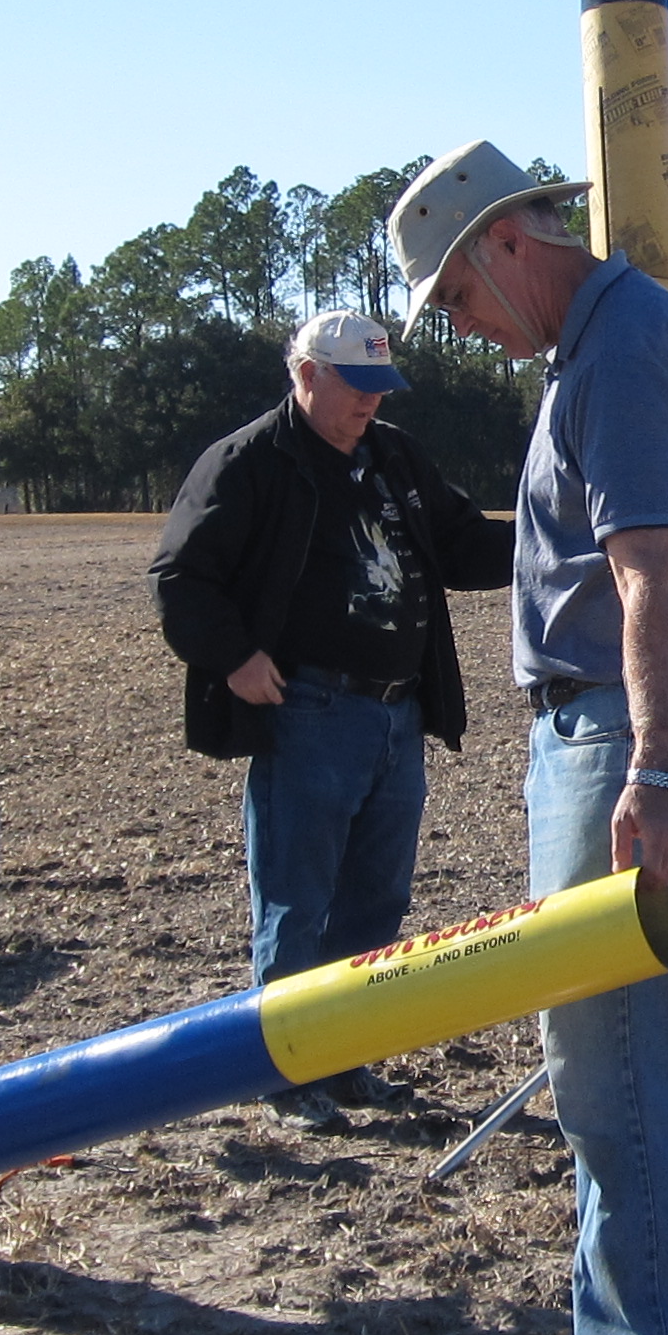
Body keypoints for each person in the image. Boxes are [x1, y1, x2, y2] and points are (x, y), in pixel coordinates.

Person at [391, 140, 668, 1335]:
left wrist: (649, 773)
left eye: (456, 297)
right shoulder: (602, 347)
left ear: (507, 242)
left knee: (604, 1063)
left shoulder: (616, 356)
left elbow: (649, 575)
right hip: (605, 733)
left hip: (624, 738)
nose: (461, 328)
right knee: (629, 1051)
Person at [147, 309, 512, 1105]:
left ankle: (346, 1061)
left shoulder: (394, 457)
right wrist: (234, 657)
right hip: (309, 712)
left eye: (381, 386)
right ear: (308, 375)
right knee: (297, 903)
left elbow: (461, 545)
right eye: (357, 386)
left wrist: (553, 538)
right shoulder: (247, 462)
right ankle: (284, 1075)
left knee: (375, 902)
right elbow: (181, 577)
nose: (371, 402)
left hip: (397, 716)